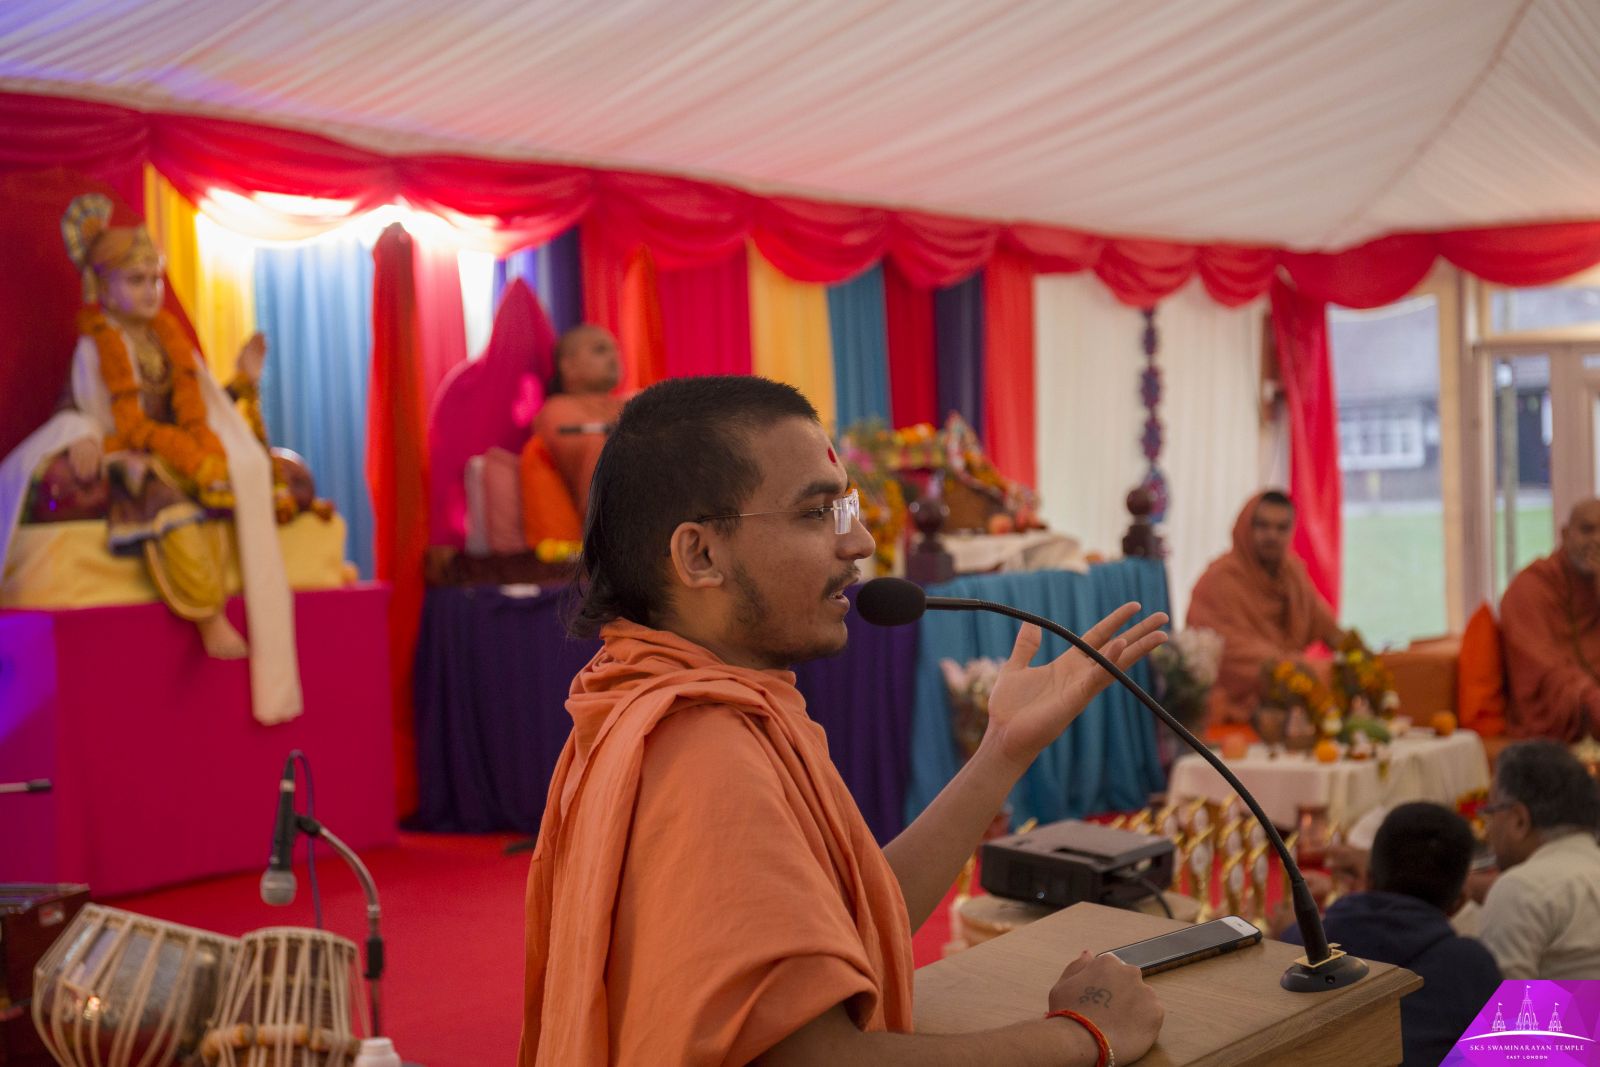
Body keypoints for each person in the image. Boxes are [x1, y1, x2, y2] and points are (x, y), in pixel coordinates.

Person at [521, 376, 1169, 1066]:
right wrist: (1083, 1034)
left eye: (846, 507)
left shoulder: (666, 697)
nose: (858, 540)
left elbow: (852, 919)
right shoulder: (704, 749)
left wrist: (1003, 750)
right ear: (700, 555)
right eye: (817, 512)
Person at [0, 193, 301, 724]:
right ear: (103, 288)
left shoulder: (168, 342)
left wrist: (241, 383)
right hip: (126, 454)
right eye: (136, 280)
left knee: (258, 476)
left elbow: (201, 414)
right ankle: (206, 613)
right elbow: (77, 408)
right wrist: (84, 436)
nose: (150, 290)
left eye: (155, 279)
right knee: (161, 493)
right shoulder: (95, 346)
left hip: (178, 451)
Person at [1279, 803, 1500, 1067]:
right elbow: (1532, 1057)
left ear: (1368, 878)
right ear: (1459, 902)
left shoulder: (1299, 947)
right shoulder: (1473, 965)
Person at [1186, 490, 1344, 729]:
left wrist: (1360, 660)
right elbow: (1228, 652)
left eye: (1281, 528)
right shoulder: (1219, 580)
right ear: (1245, 527)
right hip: (1233, 710)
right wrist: (1297, 669)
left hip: (1290, 705)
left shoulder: (1292, 573)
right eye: (1263, 526)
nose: (1272, 535)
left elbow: (1328, 628)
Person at [1477, 739, 1600, 979]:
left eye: (1491, 812)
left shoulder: (1521, 888)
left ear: (1519, 820)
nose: (1488, 829)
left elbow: (1512, 1003)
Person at [1499, 498, 1600, 741]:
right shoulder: (1530, 587)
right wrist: (1592, 701)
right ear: (1565, 535)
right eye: (1587, 530)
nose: (1597, 539)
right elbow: (1543, 672)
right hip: (1571, 713)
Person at [530, 323, 625, 520]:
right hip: (605, 525)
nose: (614, 357)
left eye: (615, 349)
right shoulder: (557, 410)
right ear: (568, 366)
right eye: (600, 350)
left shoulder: (627, 402)